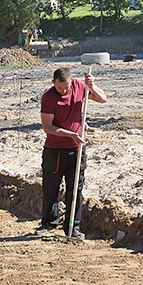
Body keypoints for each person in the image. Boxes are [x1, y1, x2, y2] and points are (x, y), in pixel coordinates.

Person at [37, 67, 107, 238]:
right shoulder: (48, 97)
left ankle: (72, 227)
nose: (64, 90)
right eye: (60, 88)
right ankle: (48, 222)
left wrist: (92, 86)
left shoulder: (78, 86)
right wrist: (70, 134)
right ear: (53, 83)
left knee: (75, 188)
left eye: (66, 87)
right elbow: (48, 127)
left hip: (77, 149)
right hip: (55, 149)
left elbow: (102, 99)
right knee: (50, 188)